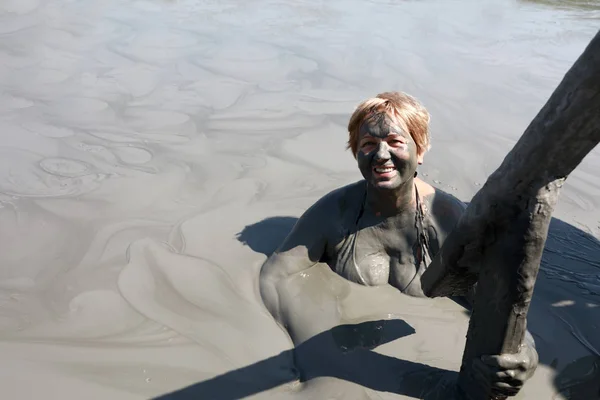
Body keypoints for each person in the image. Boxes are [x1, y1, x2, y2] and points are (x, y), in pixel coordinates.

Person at [259, 91, 538, 397]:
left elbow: (498, 302)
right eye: (368, 144)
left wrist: (524, 354)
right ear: (356, 152)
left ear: (421, 150)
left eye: (395, 142)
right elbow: (278, 275)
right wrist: (316, 346)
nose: (380, 154)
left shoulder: (449, 223)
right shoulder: (333, 213)